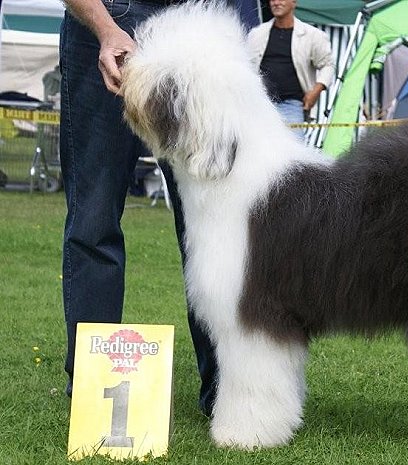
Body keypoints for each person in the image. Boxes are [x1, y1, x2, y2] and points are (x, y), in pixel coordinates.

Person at [60, 0, 258, 417]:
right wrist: (105, 28)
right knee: (93, 218)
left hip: (199, 25)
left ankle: (230, 389)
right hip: (106, 18)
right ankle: (93, 388)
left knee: (220, 229)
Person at [247, 0, 334, 127]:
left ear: (294, 2)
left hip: (291, 103)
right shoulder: (257, 34)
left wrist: (315, 91)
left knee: (293, 139)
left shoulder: (312, 35)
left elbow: (327, 65)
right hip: (260, 103)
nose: (276, 3)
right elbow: (246, 65)